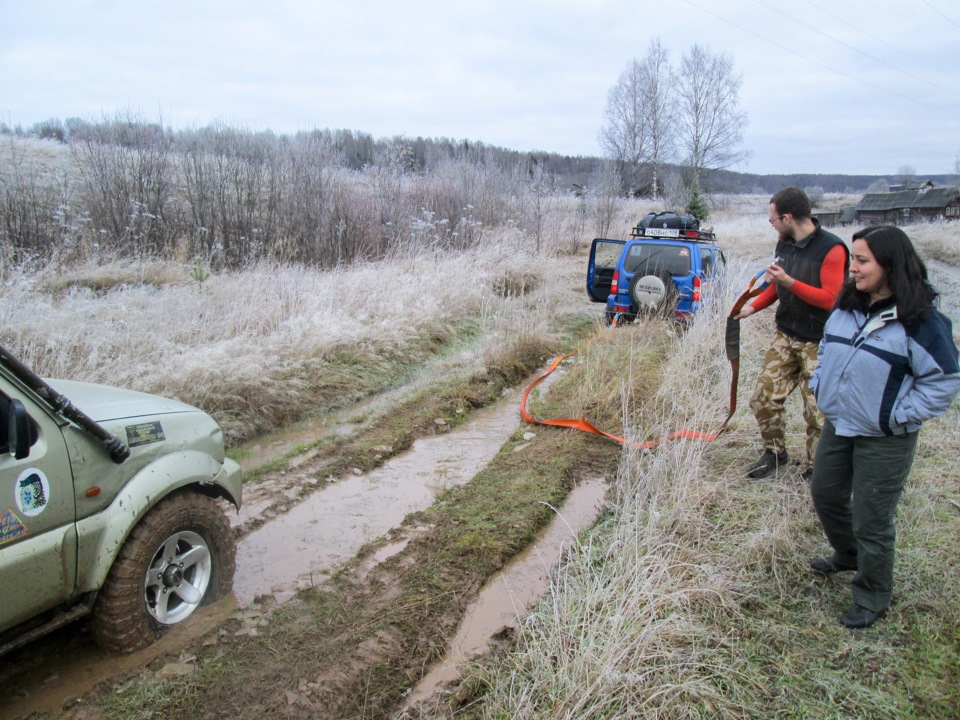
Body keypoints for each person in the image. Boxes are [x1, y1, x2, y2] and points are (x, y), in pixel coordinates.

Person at [808, 225, 959, 629]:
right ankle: (847, 554)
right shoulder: (847, 305)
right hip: (840, 423)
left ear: (890, 266)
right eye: (853, 259)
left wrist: (898, 414)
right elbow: (827, 347)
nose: (852, 268)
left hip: (885, 437)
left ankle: (873, 593)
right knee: (825, 494)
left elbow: (945, 379)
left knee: (872, 518)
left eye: (862, 260)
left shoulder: (922, 321)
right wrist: (820, 380)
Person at [734, 187, 849, 479]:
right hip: (786, 334)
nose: (772, 225)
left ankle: (816, 470)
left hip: (820, 342)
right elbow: (776, 285)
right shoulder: (783, 244)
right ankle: (775, 454)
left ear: (787, 217)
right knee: (763, 397)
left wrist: (789, 280)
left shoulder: (832, 249)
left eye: (773, 220)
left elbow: (830, 299)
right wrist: (752, 307)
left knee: (817, 413)